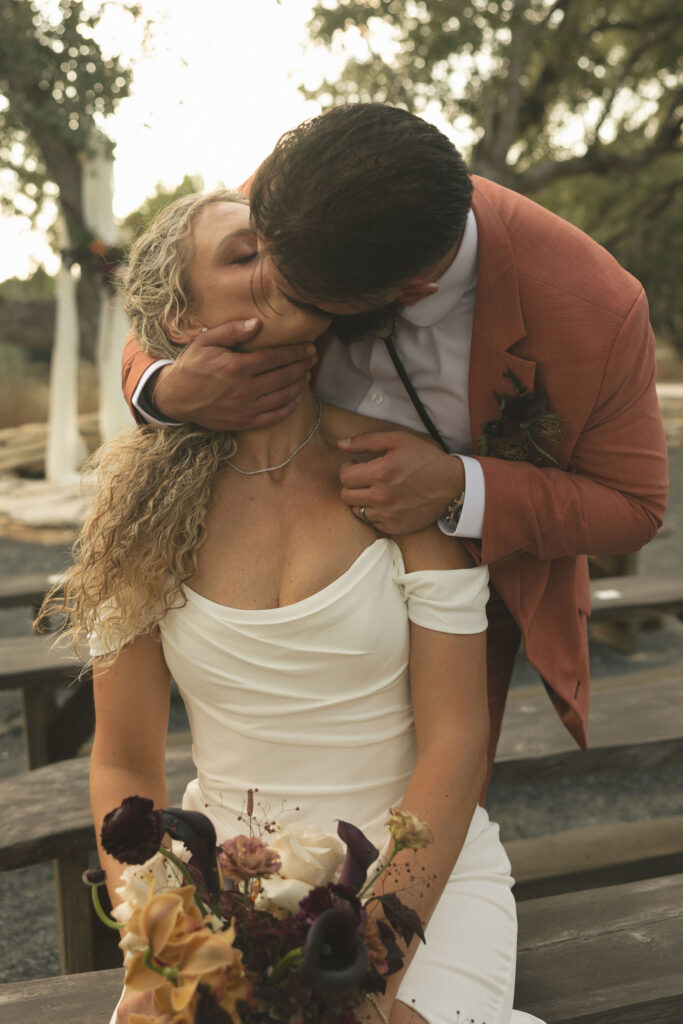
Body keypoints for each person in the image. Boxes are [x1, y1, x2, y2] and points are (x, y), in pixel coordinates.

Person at [43, 188, 545, 1024]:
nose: (278, 262)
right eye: (243, 256)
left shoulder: (398, 476)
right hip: (227, 872)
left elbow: (458, 742)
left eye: (281, 246)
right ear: (180, 324)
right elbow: (126, 763)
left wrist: (378, 950)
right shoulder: (135, 518)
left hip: (420, 878)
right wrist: (159, 929)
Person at [121, 104, 669, 788]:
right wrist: (168, 392)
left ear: (411, 293)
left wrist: (457, 488)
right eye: (256, 250)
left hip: (468, 603)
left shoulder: (596, 309)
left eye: (294, 290)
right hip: (275, 572)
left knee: (433, 811)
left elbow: (634, 507)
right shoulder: (298, 194)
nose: (266, 272)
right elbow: (170, 300)